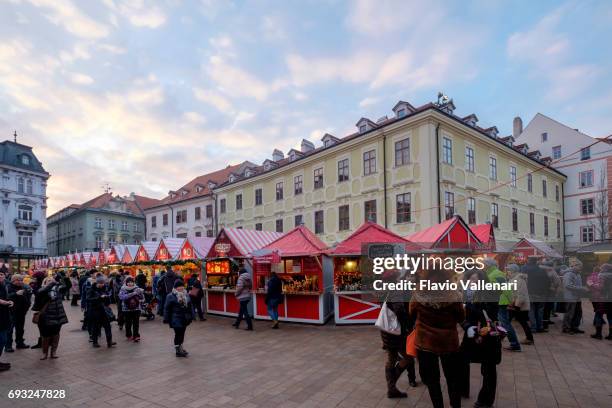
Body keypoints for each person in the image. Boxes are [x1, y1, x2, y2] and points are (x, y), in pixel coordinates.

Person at [409, 269, 464, 408]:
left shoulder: (418, 294)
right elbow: (461, 317)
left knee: (432, 380)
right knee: (453, 378)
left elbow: (411, 313)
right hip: (449, 342)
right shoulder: (454, 295)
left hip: (426, 342)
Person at [31, 276, 68, 360]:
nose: (51, 282)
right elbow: (43, 291)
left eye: (52, 280)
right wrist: (53, 283)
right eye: (48, 281)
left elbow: (66, 285)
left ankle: (53, 352)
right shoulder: (41, 291)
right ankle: (45, 353)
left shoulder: (58, 290)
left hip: (58, 316)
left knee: (56, 334)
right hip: (45, 317)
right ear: (44, 283)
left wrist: (61, 277)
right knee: (45, 335)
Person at [163, 280, 194, 357]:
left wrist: (192, 315)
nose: (180, 288)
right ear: (175, 287)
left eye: (182, 286)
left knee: (182, 333)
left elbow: (190, 306)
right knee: (178, 334)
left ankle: (181, 347)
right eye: (178, 286)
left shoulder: (186, 295)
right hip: (175, 318)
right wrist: (166, 318)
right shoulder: (170, 296)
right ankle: (178, 350)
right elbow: (166, 308)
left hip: (184, 318)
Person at [522, 257, 551, 333]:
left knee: (531, 310)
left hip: (530, 293)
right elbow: (548, 282)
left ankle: (533, 327)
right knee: (540, 311)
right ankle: (540, 327)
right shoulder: (542, 270)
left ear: (529, 261)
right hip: (541, 294)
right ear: (536, 262)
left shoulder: (525, 270)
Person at [507, 264, 534, 345]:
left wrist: (517, 306)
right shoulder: (513, 278)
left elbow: (521, 294)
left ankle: (529, 338)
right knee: (511, 321)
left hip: (518, 305)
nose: (507, 271)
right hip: (514, 304)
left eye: (509, 269)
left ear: (513, 270)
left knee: (508, 321)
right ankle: (529, 338)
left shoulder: (518, 279)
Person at [87, 275, 116, 348]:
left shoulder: (104, 288)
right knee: (96, 327)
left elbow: (107, 300)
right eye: (101, 283)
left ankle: (109, 341)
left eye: (103, 283)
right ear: (97, 283)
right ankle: (95, 342)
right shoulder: (91, 289)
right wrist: (99, 298)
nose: (102, 284)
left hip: (104, 310)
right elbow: (89, 299)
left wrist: (107, 298)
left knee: (108, 326)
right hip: (95, 311)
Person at [6, 274, 32, 350]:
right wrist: (15, 294)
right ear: (13, 280)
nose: (20, 282)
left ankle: (20, 343)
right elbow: (6, 297)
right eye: (18, 280)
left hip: (21, 312)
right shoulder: (8, 287)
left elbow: (28, 297)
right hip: (11, 312)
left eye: (21, 280)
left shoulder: (24, 287)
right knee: (10, 329)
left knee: (20, 328)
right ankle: (8, 346)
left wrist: (27, 307)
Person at [562, 267, 588, 334]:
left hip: (577, 297)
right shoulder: (568, 274)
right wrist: (581, 288)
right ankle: (566, 328)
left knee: (578, 313)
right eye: (579, 267)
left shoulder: (578, 274)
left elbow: (578, 284)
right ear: (574, 267)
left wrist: (582, 289)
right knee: (570, 313)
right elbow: (568, 285)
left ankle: (575, 327)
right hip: (570, 297)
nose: (580, 269)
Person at [119, 276, 144, 342]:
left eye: (131, 282)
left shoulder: (137, 288)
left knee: (136, 323)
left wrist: (140, 294)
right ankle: (129, 335)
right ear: (126, 283)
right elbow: (122, 297)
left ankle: (136, 336)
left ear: (133, 282)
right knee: (128, 323)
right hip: (126, 309)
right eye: (128, 282)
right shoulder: (123, 289)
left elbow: (142, 298)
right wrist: (133, 293)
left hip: (136, 308)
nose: (130, 284)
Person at [28, 271, 46, 350]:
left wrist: (33, 288)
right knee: (42, 325)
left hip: (42, 308)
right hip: (42, 308)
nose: (33, 279)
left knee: (42, 325)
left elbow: (39, 295)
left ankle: (43, 342)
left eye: (35, 277)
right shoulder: (39, 285)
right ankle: (45, 342)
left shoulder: (41, 286)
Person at [0, 272, 14, 371]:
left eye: (1, 274)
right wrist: (4, 302)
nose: (0, 276)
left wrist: (10, 301)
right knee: (1, 340)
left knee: (3, 339)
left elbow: (6, 297)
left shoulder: (4, 285)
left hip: (4, 316)